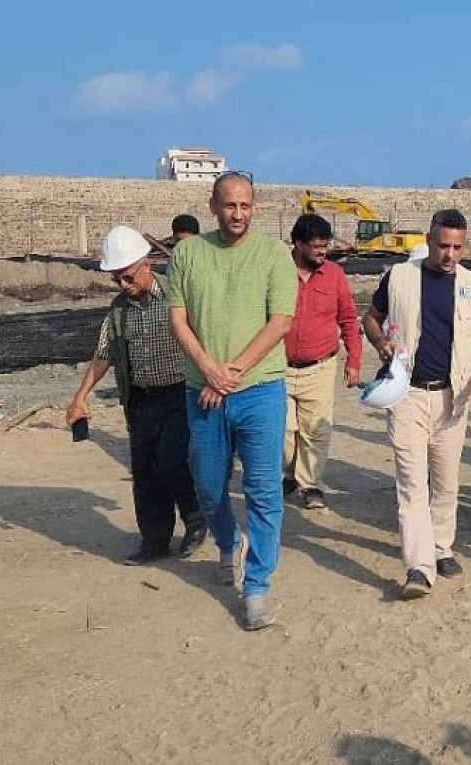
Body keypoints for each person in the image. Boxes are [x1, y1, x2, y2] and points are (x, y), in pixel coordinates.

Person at [166, 171, 297, 631]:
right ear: (213, 205)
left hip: (259, 389)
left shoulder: (273, 255)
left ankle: (257, 586)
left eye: (244, 205)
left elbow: (279, 322)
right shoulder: (187, 254)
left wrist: (231, 373)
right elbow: (178, 318)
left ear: (254, 206)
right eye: (228, 205)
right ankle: (227, 540)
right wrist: (209, 369)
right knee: (206, 481)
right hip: (201, 389)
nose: (237, 214)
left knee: (263, 490)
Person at [362, 209, 471, 599]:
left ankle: (441, 547)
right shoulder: (399, 277)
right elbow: (370, 319)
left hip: (452, 399)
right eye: (443, 246)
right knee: (411, 484)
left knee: (445, 482)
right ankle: (418, 569)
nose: (450, 255)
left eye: (457, 247)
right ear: (430, 240)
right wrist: (380, 343)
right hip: (407, 395)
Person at [67, 225, 206, 565]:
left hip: (179, 393)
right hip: (141, 400)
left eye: (127, 277)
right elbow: (105, 353)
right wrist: (81, 396)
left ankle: (196, 519)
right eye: (116, 279)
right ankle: (155, 541)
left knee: (173, 461)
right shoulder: (118, 310)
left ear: (146, 264)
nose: (123, 285)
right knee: (145, 472)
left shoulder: (178, 295)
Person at [282, 213, 362, 511]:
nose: (322, 252)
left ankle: (309, 485)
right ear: (298, 244)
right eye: (316, 246)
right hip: (279, 367)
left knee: (316, 429)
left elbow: (349, 320)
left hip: (320, 366)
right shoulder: (277, 272)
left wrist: (353, 360)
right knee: (282, 430)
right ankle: (289, 473)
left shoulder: (335, 275)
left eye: (325, 246)